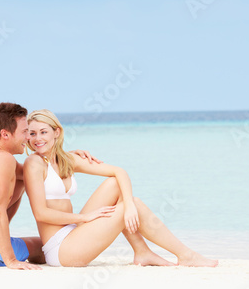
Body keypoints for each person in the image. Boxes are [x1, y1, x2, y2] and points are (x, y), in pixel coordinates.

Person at [23, 109, 219, 268]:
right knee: (129, 204)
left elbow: (119, 172)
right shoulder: (34, 163)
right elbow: (41, 214)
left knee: (117, 186)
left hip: (74, 233)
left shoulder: (67, 159)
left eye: (43, 132)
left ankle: (142, 251)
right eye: (32, 133)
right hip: (60, 250)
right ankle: (185, 255)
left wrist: (129, 206)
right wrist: (85, 218)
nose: (37, 138)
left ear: (56, 132)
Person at [0, 103, 100, 270]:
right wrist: (11, 261)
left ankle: (0, 241)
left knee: (23, 180)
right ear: (5, 134)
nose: (28, 137)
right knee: (45, 249)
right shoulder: (4, 161)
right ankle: (4, 251)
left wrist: (64, 156)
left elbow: (34, 173)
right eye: (24, 132)